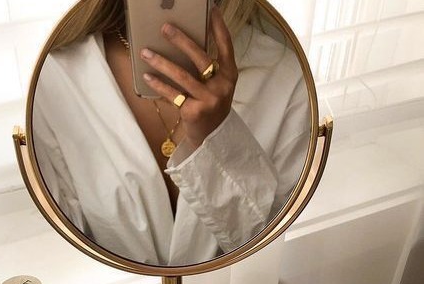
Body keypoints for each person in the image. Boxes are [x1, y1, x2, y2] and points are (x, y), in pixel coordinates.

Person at [32, 0, 310, 266]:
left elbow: (273, 255)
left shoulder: (284, 78)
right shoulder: (55, 78)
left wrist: (219, 140)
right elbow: (67, 248)